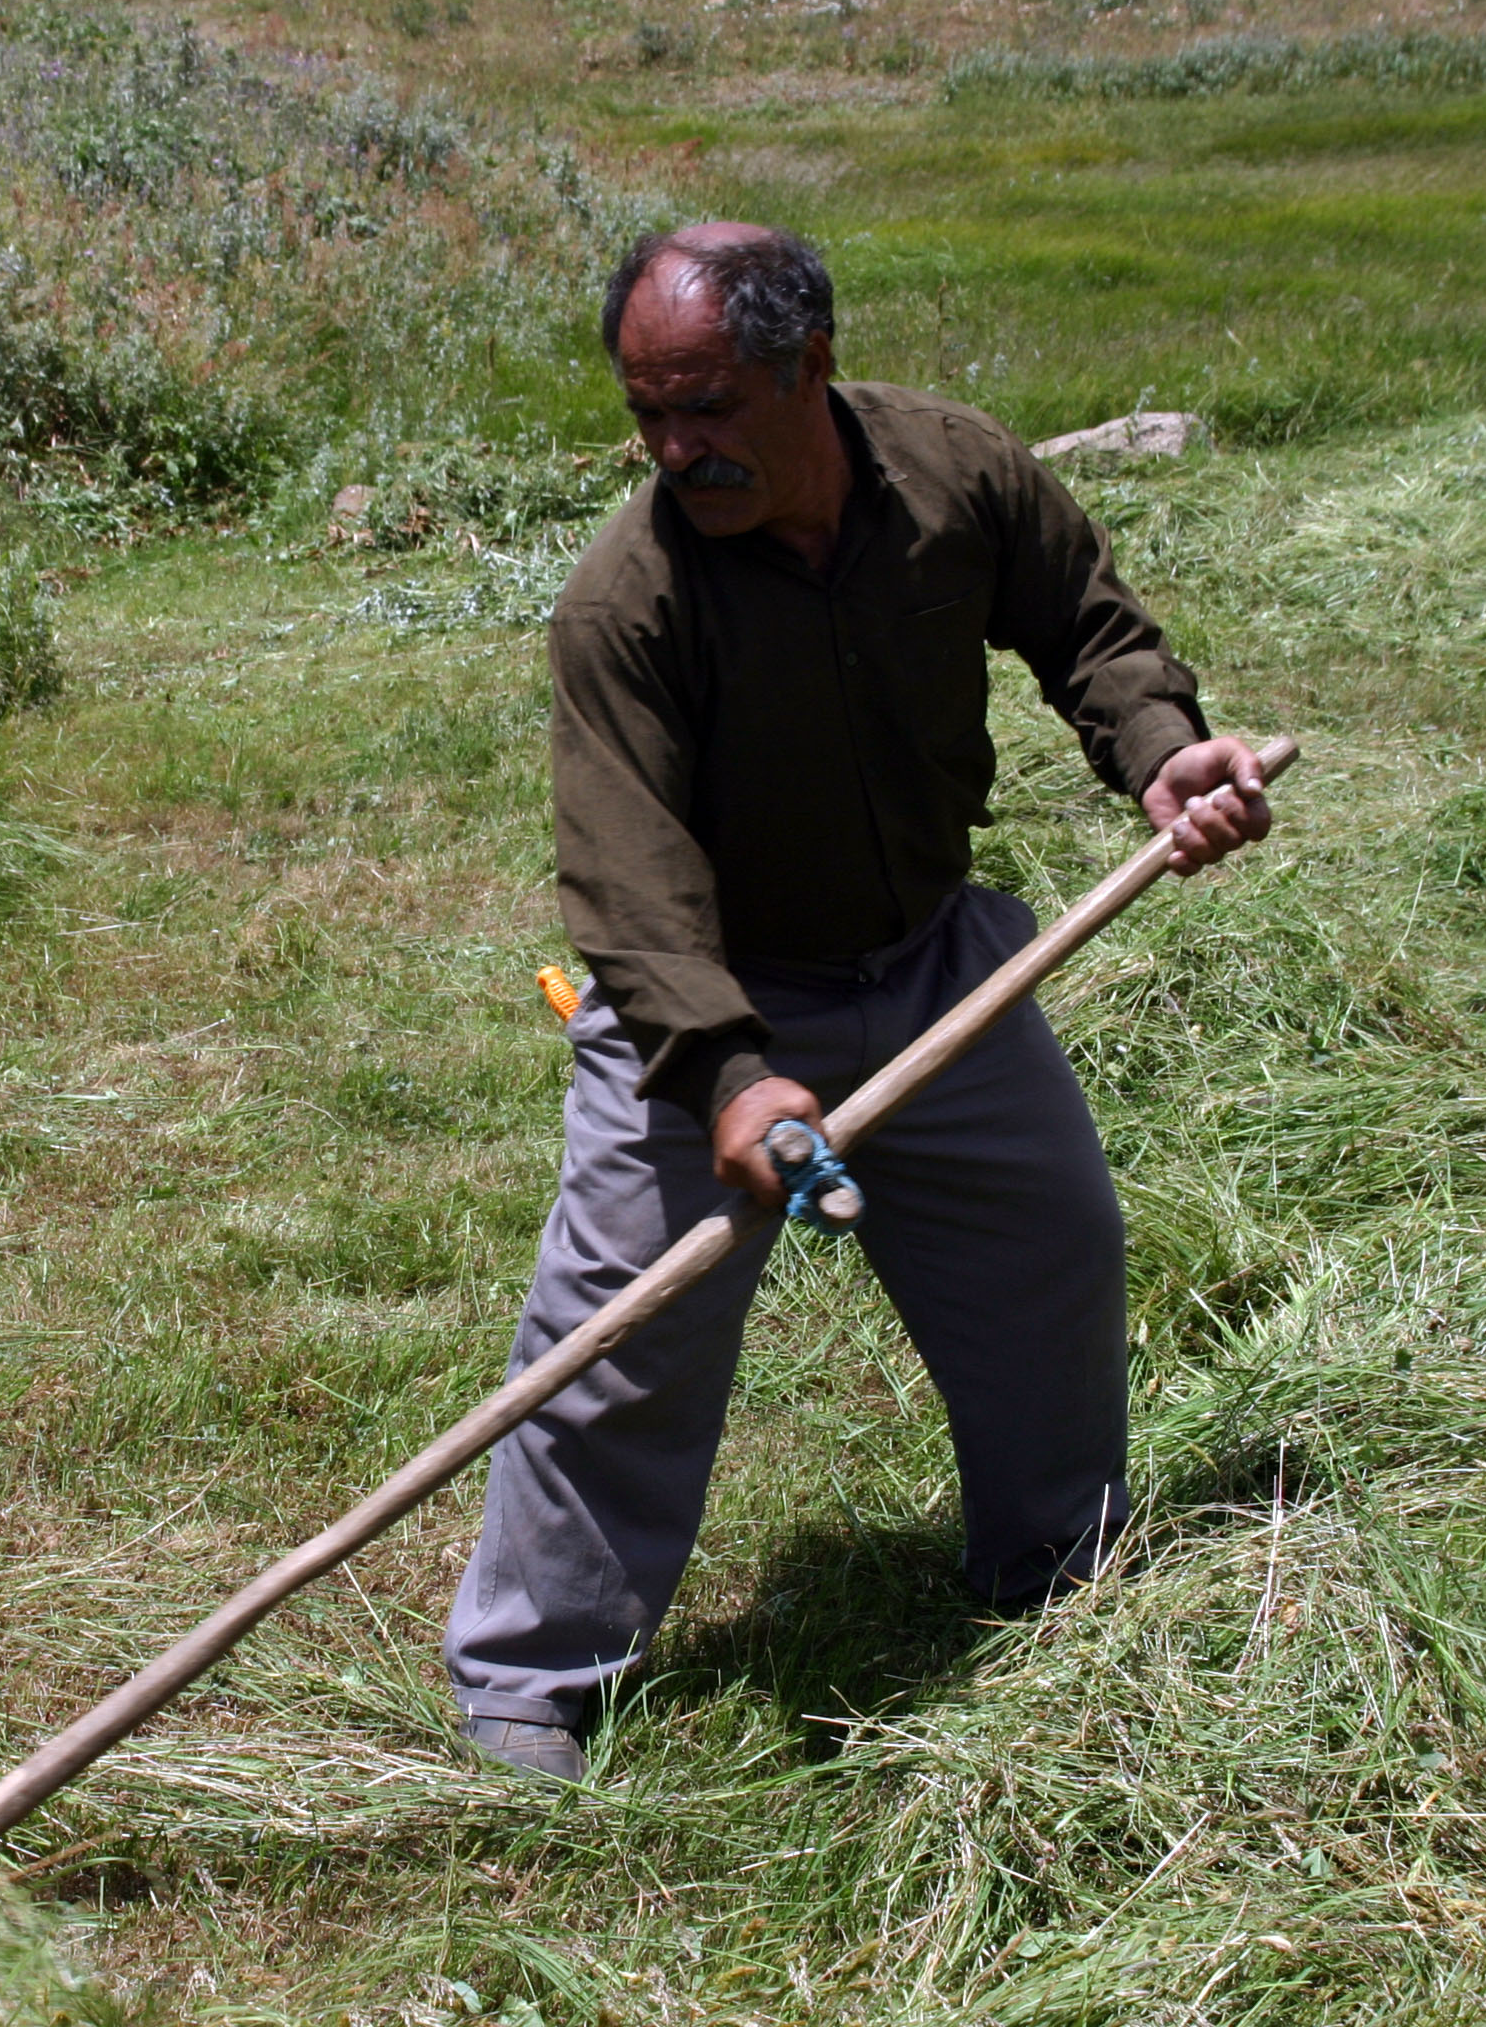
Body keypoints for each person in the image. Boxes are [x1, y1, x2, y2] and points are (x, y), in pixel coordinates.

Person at [446, 224, 1272, 1781]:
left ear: (809, 365)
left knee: (1053, 1244)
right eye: (646, 416)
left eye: (706, 408)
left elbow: (1085, 621)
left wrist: (1159, 745)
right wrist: (730, 1078)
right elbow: (627, 883)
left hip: (933, 961)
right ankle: (531, 1675)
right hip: (712, 1011)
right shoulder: (630, 602)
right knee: (624, 1333)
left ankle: (1053, 1567)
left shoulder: (952, 473)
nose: (675, 450)